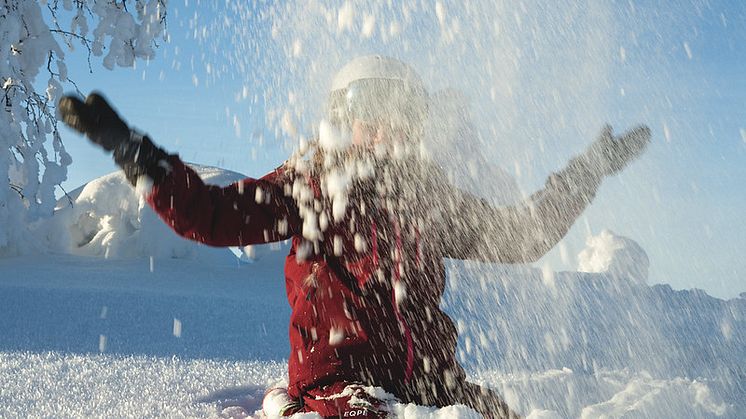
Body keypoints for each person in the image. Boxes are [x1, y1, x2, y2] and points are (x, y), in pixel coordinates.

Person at [58, 55, 650, 419]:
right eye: (369, 105)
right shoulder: (315, 185)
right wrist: (135, 153)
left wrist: (587, 170)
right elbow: (212, 216)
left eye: (401, 107)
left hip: (426, 381)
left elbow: (518, 235)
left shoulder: (428, 195)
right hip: (338, 385)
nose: (385, 122)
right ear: (341, 113)